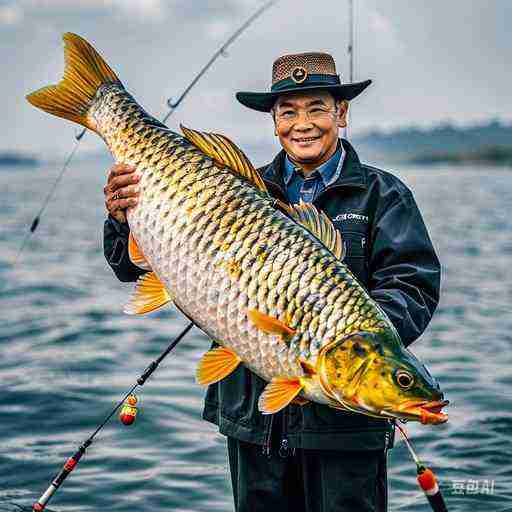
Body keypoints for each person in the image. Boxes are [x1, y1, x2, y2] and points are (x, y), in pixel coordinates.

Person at [103, 52, 441, 512]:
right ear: (274, 120)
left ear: (341, 113)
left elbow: (414, 287)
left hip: (345, 429)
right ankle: (105, 104)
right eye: (288, 111)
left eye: (317, 108)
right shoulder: (233, 187)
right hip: (251, 417)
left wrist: (345, 329)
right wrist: (121, 217)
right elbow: (131, 267)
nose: (303, 123)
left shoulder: (385, 194)